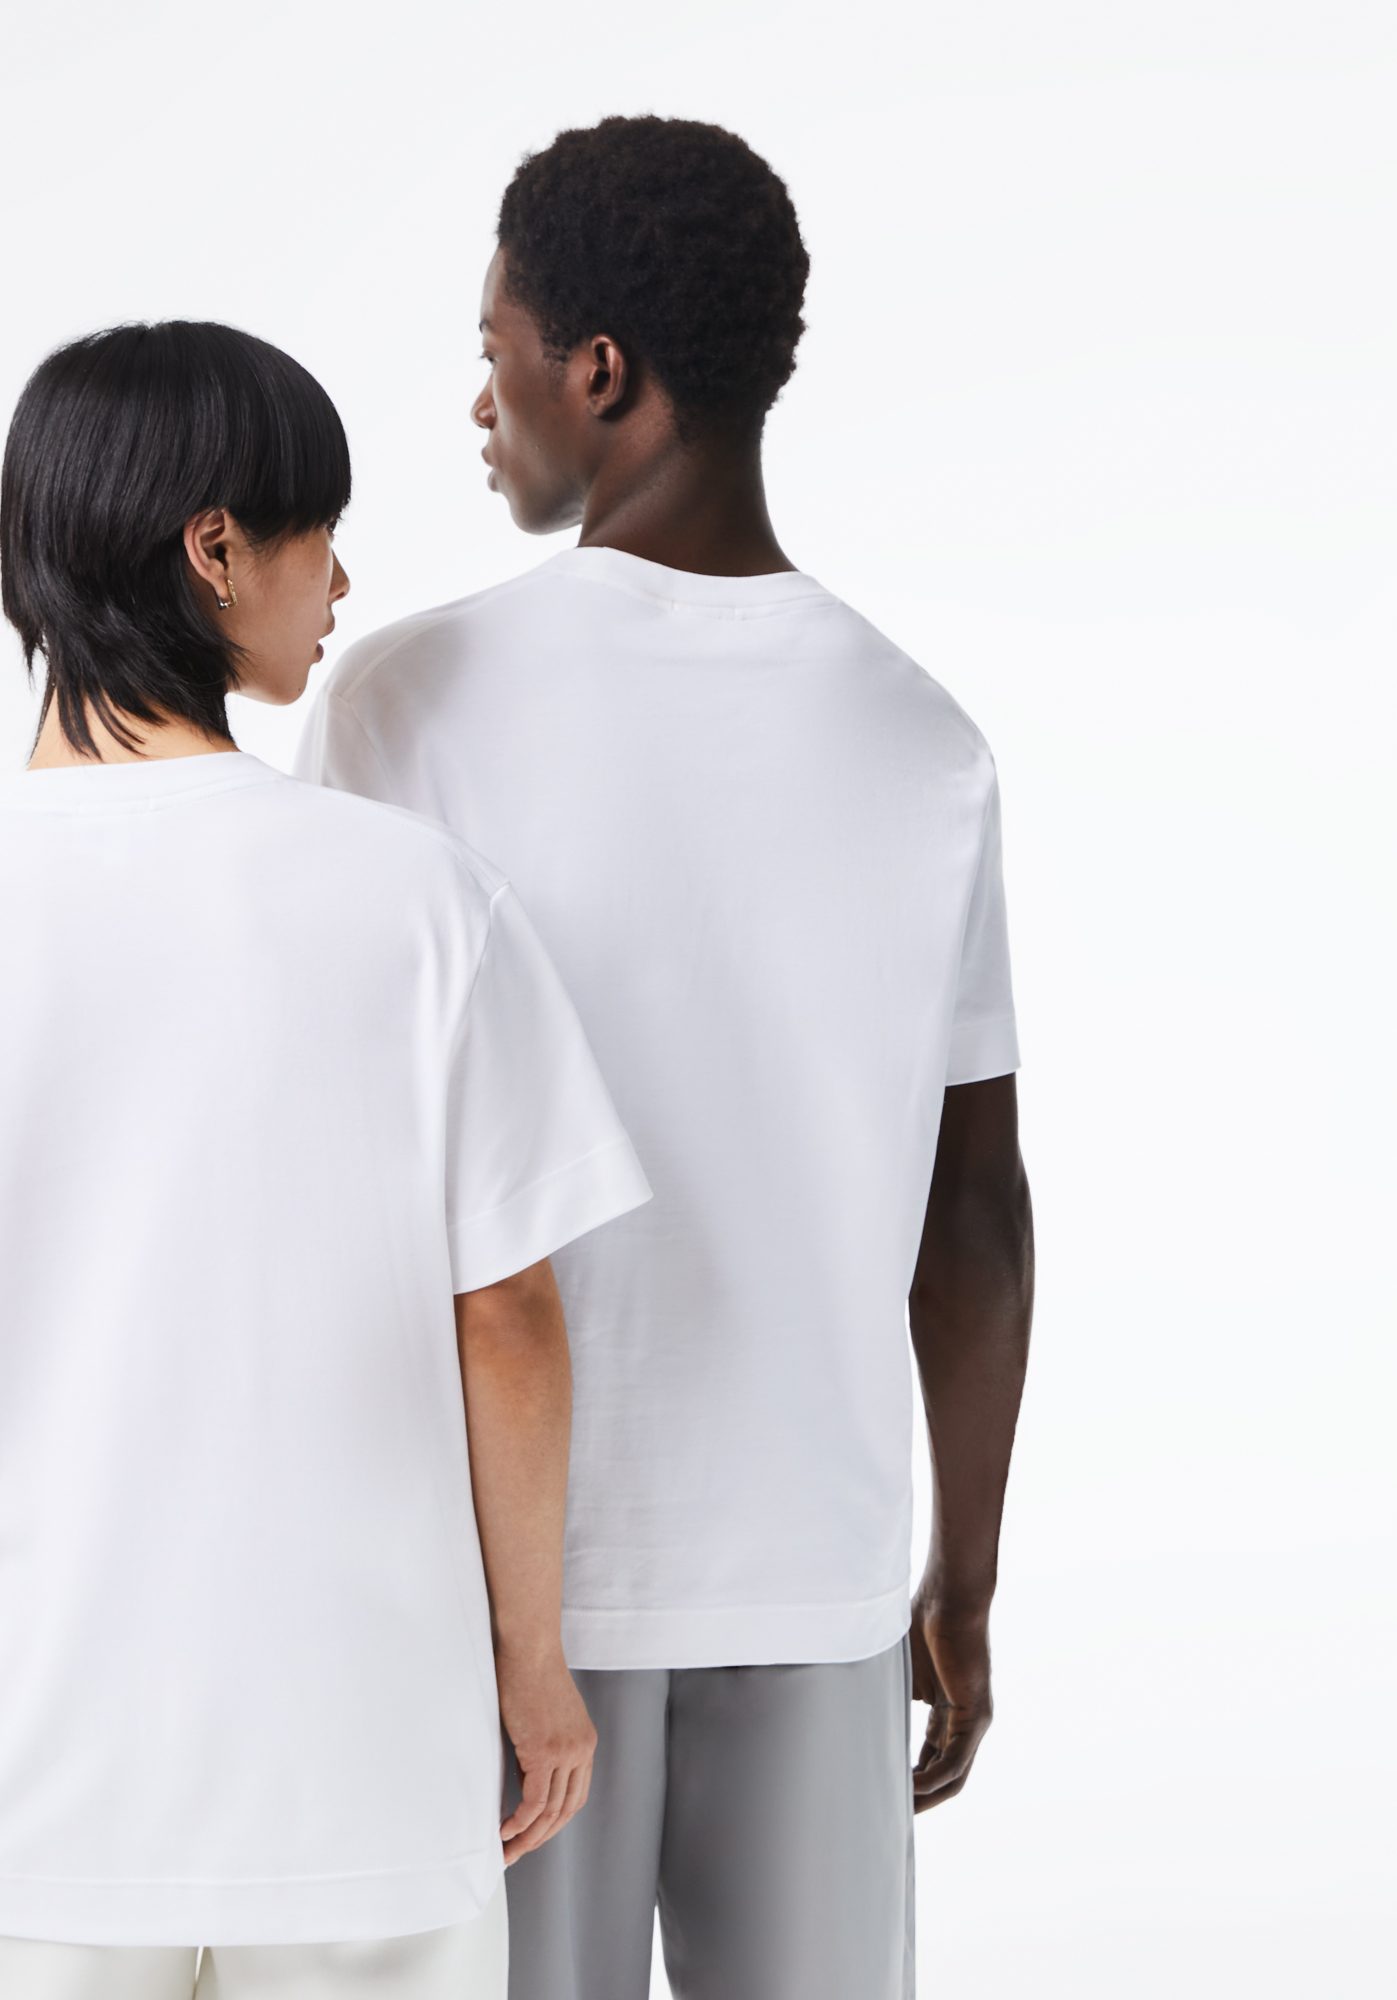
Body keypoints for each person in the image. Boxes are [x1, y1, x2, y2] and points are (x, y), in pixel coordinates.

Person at [0, 320, 653, 2000]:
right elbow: (510, 1320)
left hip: (39, 1788)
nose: (342, 580)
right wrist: (532, 1667)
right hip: (370, 1769)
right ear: (218, 550)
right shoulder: (423, 905)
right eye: (320, 531)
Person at [296, 118, 1036, 1999]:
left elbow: (348, 1186)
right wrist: (961, 1581)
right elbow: (975, 1217)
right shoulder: (926, 741)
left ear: (600, 371)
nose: (481, 405)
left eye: (498, 353)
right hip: (826, 1574)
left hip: (509, 1598)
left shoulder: (407, 702)